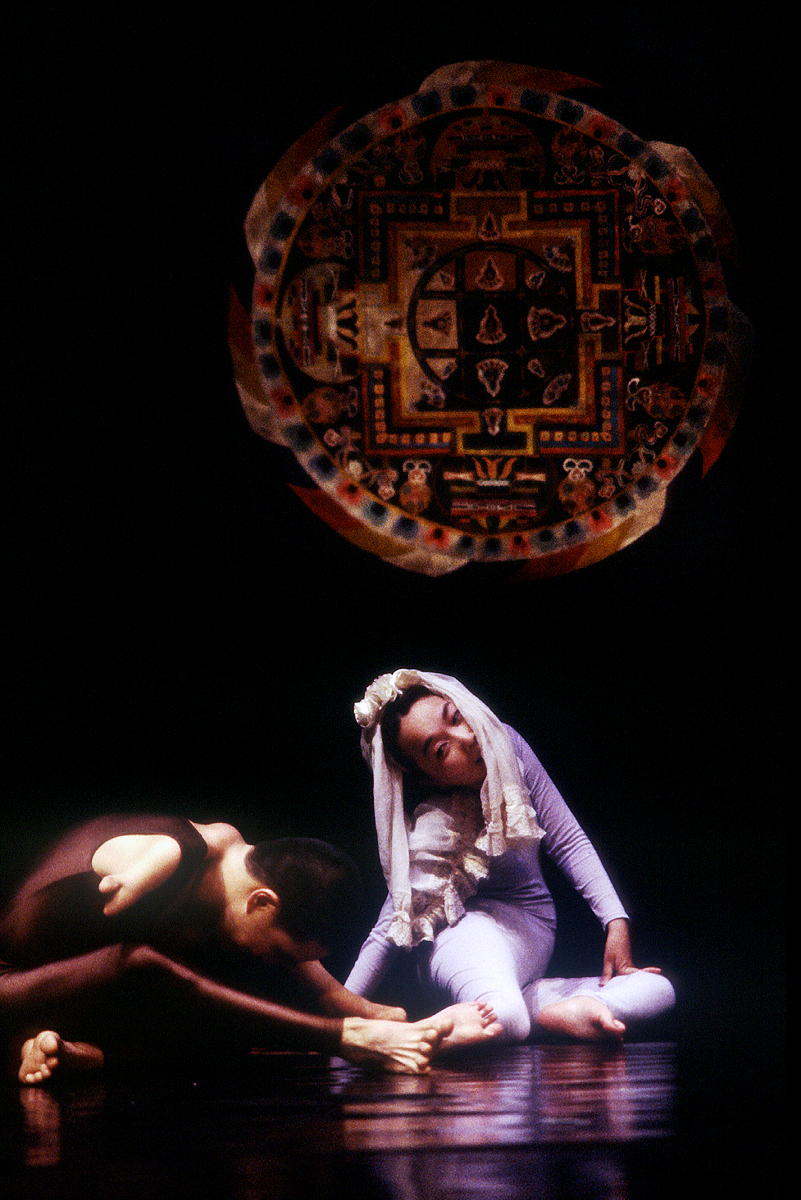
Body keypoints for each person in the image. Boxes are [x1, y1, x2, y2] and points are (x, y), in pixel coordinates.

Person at [0, 813, 479, 1084]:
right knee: (149, 966)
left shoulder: (240, 869)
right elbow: (134, 956)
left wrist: (396, 1020)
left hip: (68, 996)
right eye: (281, 954)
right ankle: (57, 1046)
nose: (275, 965)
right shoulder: (174, 855)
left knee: (230, 1028)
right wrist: (346, 1035)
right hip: (10, 985)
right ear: (262, 902)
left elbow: (323, 988)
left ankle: (75, 1054)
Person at [345, 669, 676, 1044]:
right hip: (461, 939)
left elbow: (568, 839)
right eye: (440, 750)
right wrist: (339, 1023)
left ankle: (564, 1011)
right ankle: (412, 1035)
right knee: (505, 1018)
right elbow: (389, 928)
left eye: (456, 717)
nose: (467, 737)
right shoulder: (436, 826)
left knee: (658, 989)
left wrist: (615, 921)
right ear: (427, 778)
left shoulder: (506, 746)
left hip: (531, 932)